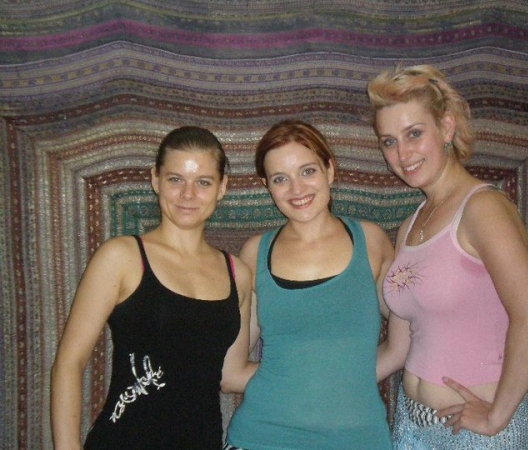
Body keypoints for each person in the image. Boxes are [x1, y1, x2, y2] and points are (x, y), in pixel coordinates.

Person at [368, 64, 528, 449]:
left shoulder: (482, 208)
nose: (402, 153)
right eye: (389, 141)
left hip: (477, 435)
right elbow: (399, 348)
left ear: (447, 128)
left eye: (414, 133)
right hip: (411, 426)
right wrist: (319, 388)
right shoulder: (410, 226)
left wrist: (496, 417)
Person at [51, 126, 256, 450]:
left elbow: (231, 375)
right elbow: (69, 363)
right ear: (155, 179)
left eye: (203, 182)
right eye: (176, 179)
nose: (188, 194)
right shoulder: (121, 257)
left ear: (222, 187)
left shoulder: (238, 274)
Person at [223, 119, 395, 450]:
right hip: (262, 437)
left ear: (329, 170)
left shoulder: (372, 241)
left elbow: (408, 337)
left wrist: (347, 376)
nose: (297, 189)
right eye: (280, 179)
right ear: (266, 185)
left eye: (307, 171)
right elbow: (230, 375)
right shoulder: (255, 253)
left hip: (358, 439)